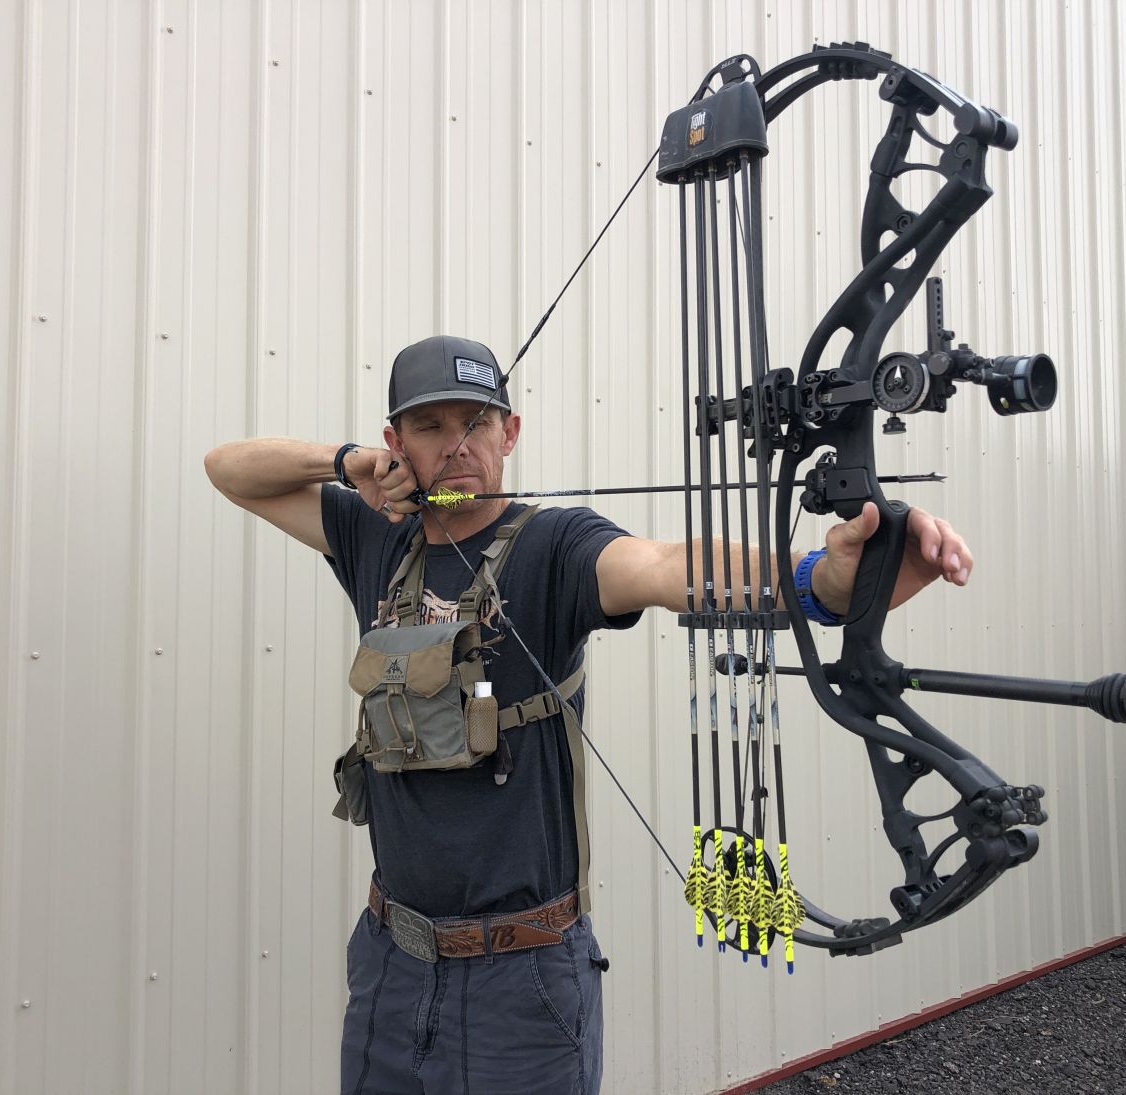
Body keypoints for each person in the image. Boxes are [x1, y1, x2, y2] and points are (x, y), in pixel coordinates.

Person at [203, 334, 973, 1095]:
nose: (456, 446)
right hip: (390, 964)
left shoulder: (556, 546)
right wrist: (347, 466)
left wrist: (824, 583)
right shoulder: (374, 535)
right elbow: (228, 470)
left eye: (475, 422)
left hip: (522, 983)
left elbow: (668, 567)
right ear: (395, 441)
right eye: (430, 426)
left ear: (510, 432)